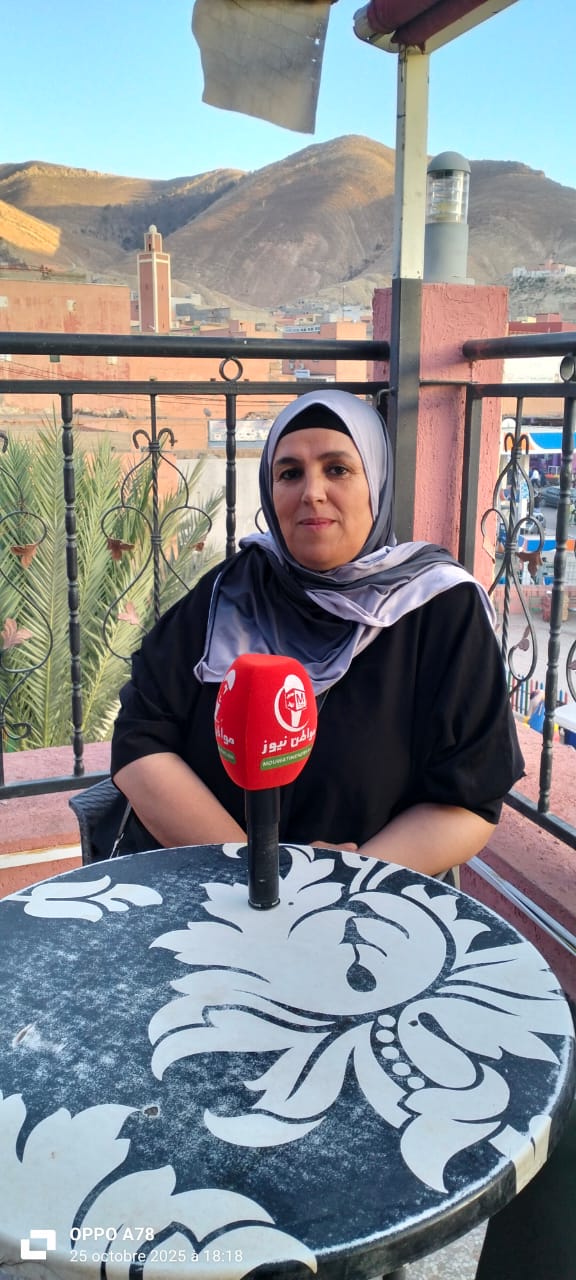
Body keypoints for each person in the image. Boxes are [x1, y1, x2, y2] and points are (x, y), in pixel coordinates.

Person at [111, 390, 523, 874]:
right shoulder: (231, 591)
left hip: (364, 899)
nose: (312, 492)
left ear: (377, 483)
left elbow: (470, 797)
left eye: (338, 469)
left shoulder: (439, 609)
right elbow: (141, 740)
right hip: (207, 883)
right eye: (289, 473)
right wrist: (258, 872)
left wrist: (346, 879)